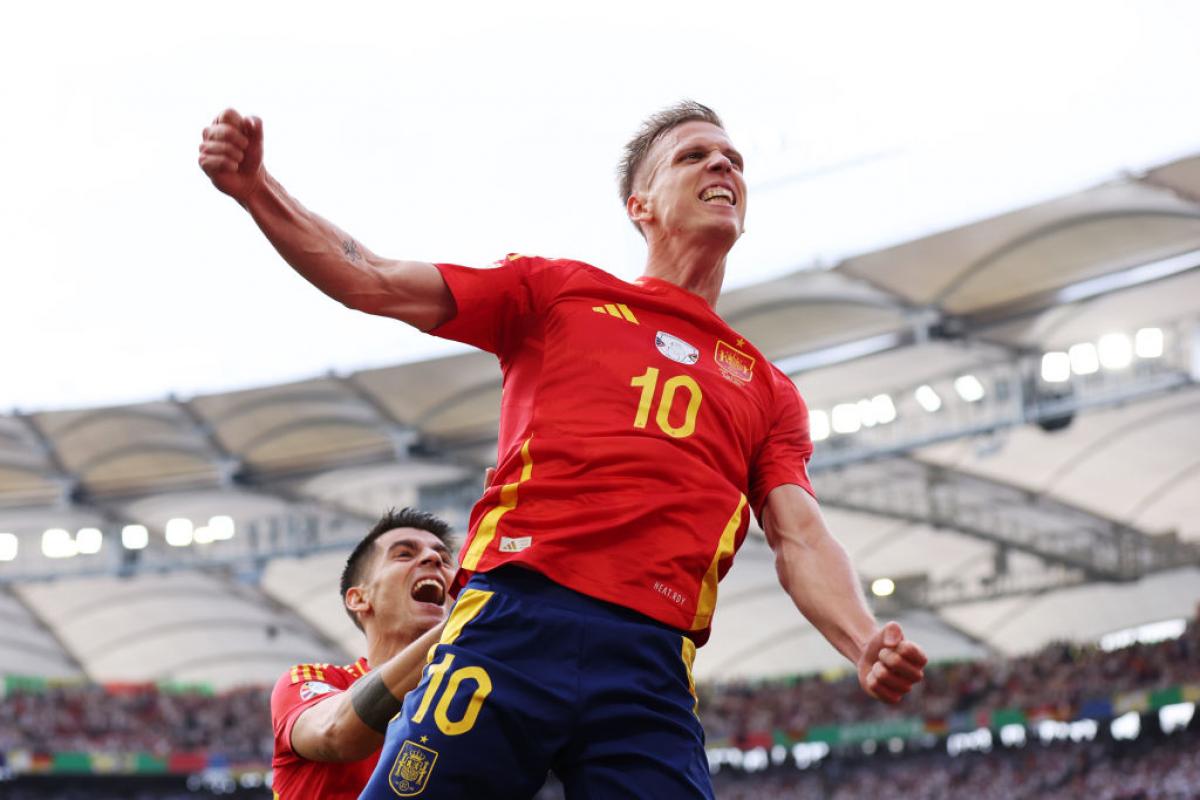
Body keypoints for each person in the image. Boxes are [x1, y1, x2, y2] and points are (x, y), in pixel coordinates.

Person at [200, 101, 929, 800]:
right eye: (695, 155)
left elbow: (800, 535)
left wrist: (862, 639)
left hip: (650, 662)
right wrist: (258, 190)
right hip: (513, 622)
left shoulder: (768, 390)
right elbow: (375, 281)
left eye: (734, 159)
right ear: (639, 203)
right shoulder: (556, 294)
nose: (723, 166)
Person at [269, 508, 456, 799]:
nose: (433, 559)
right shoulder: (313, 679)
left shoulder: (473, 697)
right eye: (404, 554)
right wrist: (461, 624)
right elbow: (337, 733)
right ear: (359, 598)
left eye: (445, 560)